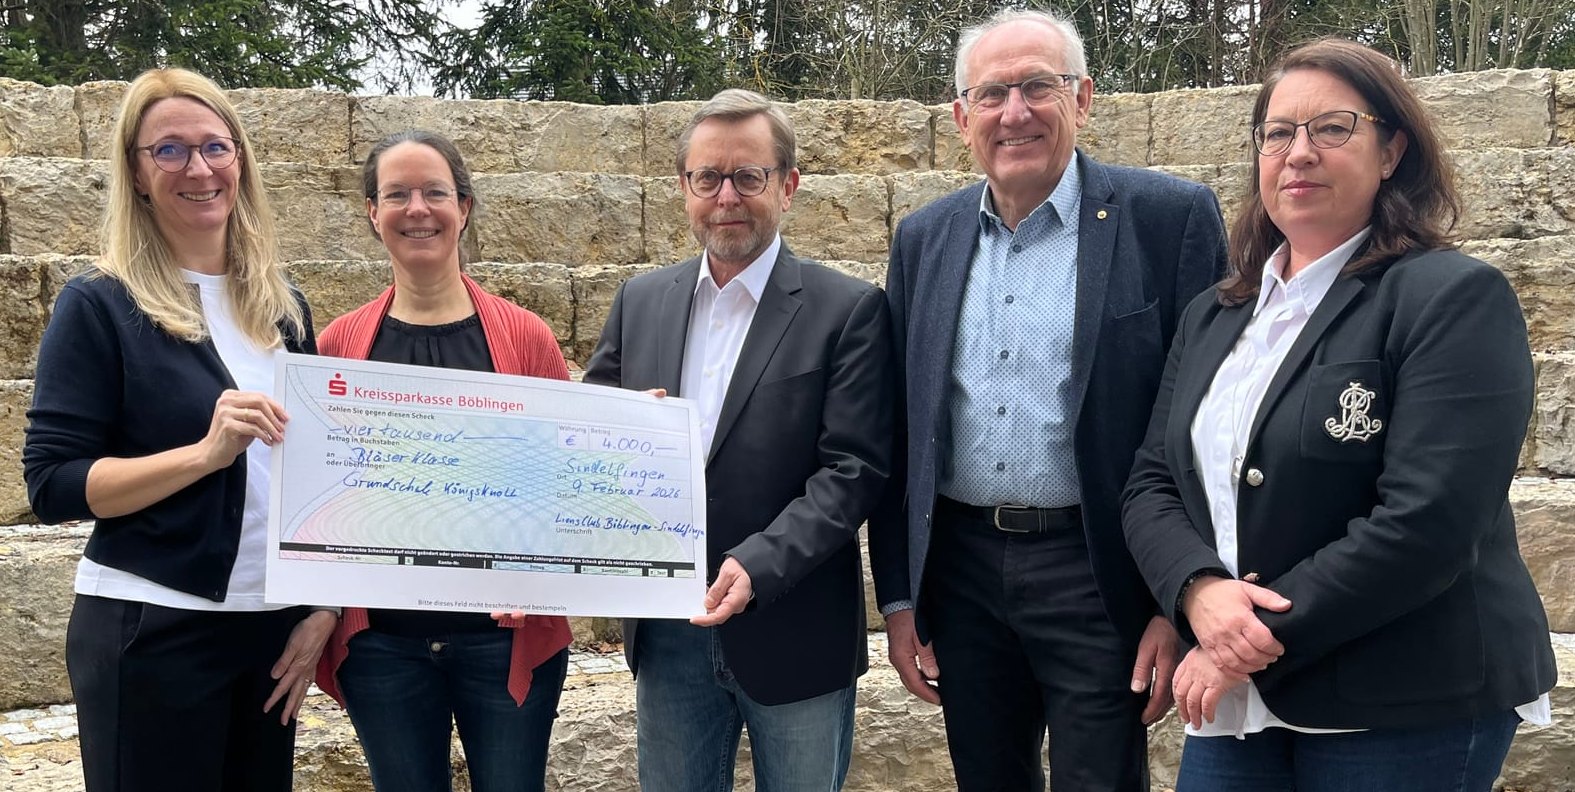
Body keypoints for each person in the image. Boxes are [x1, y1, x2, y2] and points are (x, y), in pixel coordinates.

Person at [1121, 38, 1557, 791]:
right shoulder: (1215, 314)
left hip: (1400, 699)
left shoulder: (1450, 298)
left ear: (1391, 151)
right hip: (1242, 700)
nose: (1299, 153)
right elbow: (1153, 480)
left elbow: (1428, 521)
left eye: (1331, 128)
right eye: (1277, 133)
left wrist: (1242, 639)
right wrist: (1195, 589)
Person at [866, 8, 1229, 791]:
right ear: (961, 116)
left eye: (1037, 86)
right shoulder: (923, 239)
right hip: (960, 573)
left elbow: (1205, 422)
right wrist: (898, 598)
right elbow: (900, 431)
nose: (1014, 112)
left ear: (1082, 98)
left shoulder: (1168, 219)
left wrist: (1174, 599)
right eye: (991, 94)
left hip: (1100, 566)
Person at [22, 67, 332, 792]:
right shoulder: (99, 304)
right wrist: (203, 454)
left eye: (215, 147)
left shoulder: (284, 306)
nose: (199, 169)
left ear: (240, 160)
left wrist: (323, 605)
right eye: (169, 150)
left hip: (270, 630)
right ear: (135, 172)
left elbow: (316, 473)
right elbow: (53, 484)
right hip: (152, 626)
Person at [583, 88, 893, 792]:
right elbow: (587, 439)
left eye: (748, 176)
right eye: (708, 177)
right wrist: (616, 431)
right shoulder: (639, 301)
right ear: (684, 188)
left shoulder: (847, 308)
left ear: (788, 185)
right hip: (669, 634)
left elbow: (853, 470)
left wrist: (757, 563)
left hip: (795, 626)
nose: (726, 196)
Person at [310, 130, 573, 792]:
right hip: (382, 647)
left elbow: (563, 485)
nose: (417, 209)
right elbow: (321, 495)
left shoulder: (526, 338)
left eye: (434, 192)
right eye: (396, 194)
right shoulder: (337, 346)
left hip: (504, 640)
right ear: (372, 212)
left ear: (464, 207)